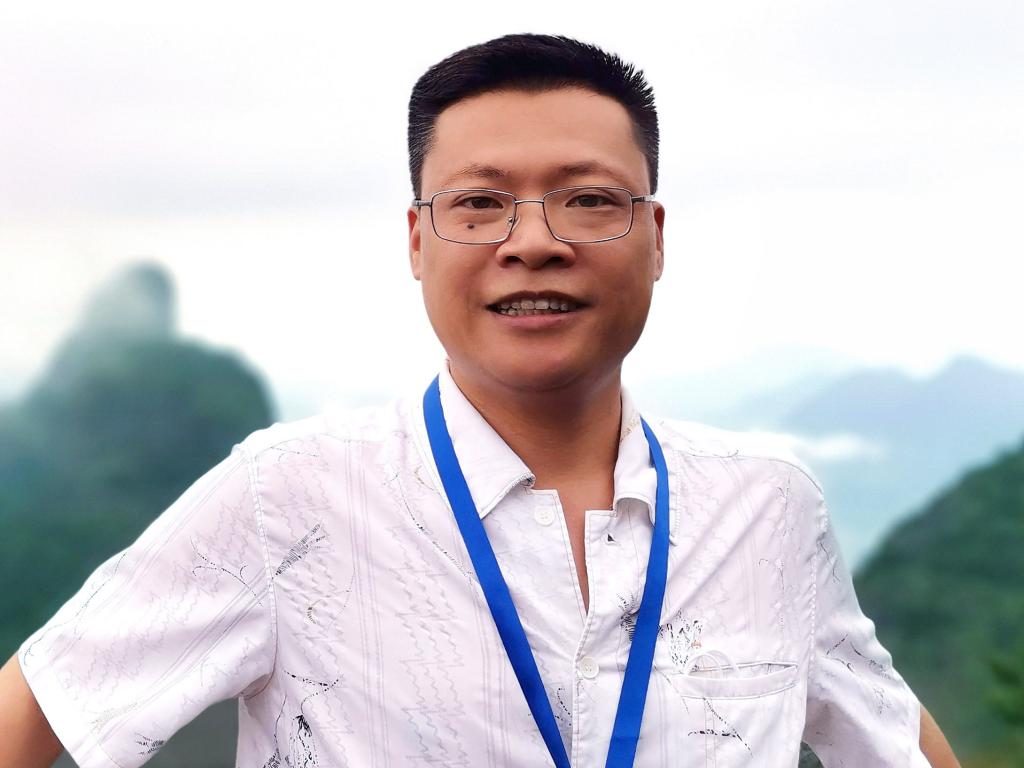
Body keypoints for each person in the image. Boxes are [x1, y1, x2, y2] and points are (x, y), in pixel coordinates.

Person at [0, 33, 960, 768]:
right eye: (479, 204)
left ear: (656, 237)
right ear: (418, 242)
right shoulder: (288, 498)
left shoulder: (767, 508)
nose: (533, 241)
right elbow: (36, 713)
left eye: (589, 199)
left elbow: (892, 739)